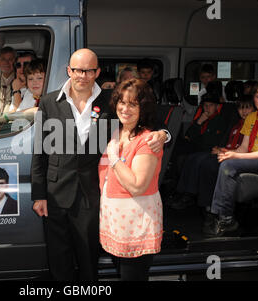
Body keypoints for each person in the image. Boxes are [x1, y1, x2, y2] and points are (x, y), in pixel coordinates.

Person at [30, 48, 168, 281]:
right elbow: (39, 152)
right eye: (77, 70)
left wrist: (164, 134)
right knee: (58, 260)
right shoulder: (48, 102)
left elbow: (147, 120)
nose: (82, 75)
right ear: (68, 71)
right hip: (55, 194)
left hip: (91, 193)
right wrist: (39, 194)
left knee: (88, 259)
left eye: (88, 70)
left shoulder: (110, 101)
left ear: (97, 72)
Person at [99, 78, 163, 281]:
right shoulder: (118, 132)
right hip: (117, 224)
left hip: (136, 226)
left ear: (143, 108)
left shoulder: (147, 140)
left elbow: (137, 186)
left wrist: (115, 158)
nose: (125, 108)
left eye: (133, 104)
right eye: (122, 102)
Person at [204, 80, 258, 237]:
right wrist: (230, 153)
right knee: (220, 161)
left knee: (229, 166)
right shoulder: (252, 117)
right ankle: (212, 210)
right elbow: (243, 146)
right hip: (250, 158)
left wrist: (237, 156)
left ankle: (225, 217)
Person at [171, 95, 255, 211]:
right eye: (241, 108)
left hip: (233, 155)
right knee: (193, 158)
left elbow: (242, 148)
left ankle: (207, 205)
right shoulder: (237, 124)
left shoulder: (243, 123)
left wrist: (222, 150)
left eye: (247, 108)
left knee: (207, 163)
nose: (244, 111)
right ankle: (185, 194)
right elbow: (188, 136)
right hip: (225, 151)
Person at [0, 59, 45, 129]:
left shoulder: (49, 96)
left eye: (39, 78)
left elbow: (39, 111)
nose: (34, 82)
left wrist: (8, 117)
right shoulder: (31, 93)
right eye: (30, 79)